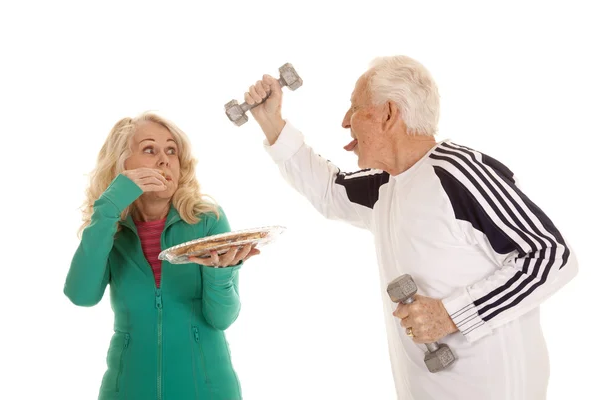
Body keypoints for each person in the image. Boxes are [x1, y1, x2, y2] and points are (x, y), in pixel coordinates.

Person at [241, 55, 578, 399]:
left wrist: (452, 315)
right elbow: (330, 192)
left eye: (354, 108)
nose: (345, 121)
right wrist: (271, 122)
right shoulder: (385, 186)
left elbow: (551, 256)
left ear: (387, 114)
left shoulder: (459, 173)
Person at [63, 111, 258, 400]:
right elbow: (81, 295)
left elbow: (222, 318)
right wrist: (109, 207)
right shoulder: (109, 230)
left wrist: (220, 274)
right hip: (127, 390)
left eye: (171, 150)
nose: (164, 160)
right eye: (149, 149)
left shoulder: (206, 220)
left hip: (207, 389)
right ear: (122, 165)